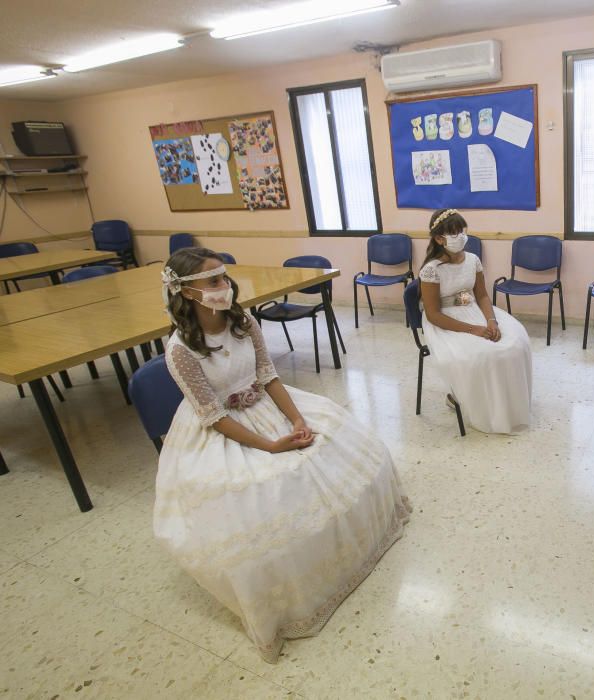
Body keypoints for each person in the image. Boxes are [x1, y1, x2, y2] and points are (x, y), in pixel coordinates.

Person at [154, 247, 411, 662]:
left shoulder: (244, 322)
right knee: (265, 487)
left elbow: (269, 377)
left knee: (332, 442)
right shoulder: (181, 349)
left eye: (224, 278)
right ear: (186, 292)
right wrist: (271, 445)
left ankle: (340, 549)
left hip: (267, 403)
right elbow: (214, 416)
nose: (224, 287)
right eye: (213, 281)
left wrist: (294, 420)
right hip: (224, 426)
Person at [419, 209, 532, 433]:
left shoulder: (473, 259)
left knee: (517, 341)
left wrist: (491, 321)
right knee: (485, 353)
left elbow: (481, 295)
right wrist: (474, 330)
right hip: (446, 320)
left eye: (462, 231)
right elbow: (433, 314)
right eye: (453, 233)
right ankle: (464, 397)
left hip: (475, 310)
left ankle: (506, 404)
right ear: (439, 238)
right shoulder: (431, 270)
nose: (460, 236)